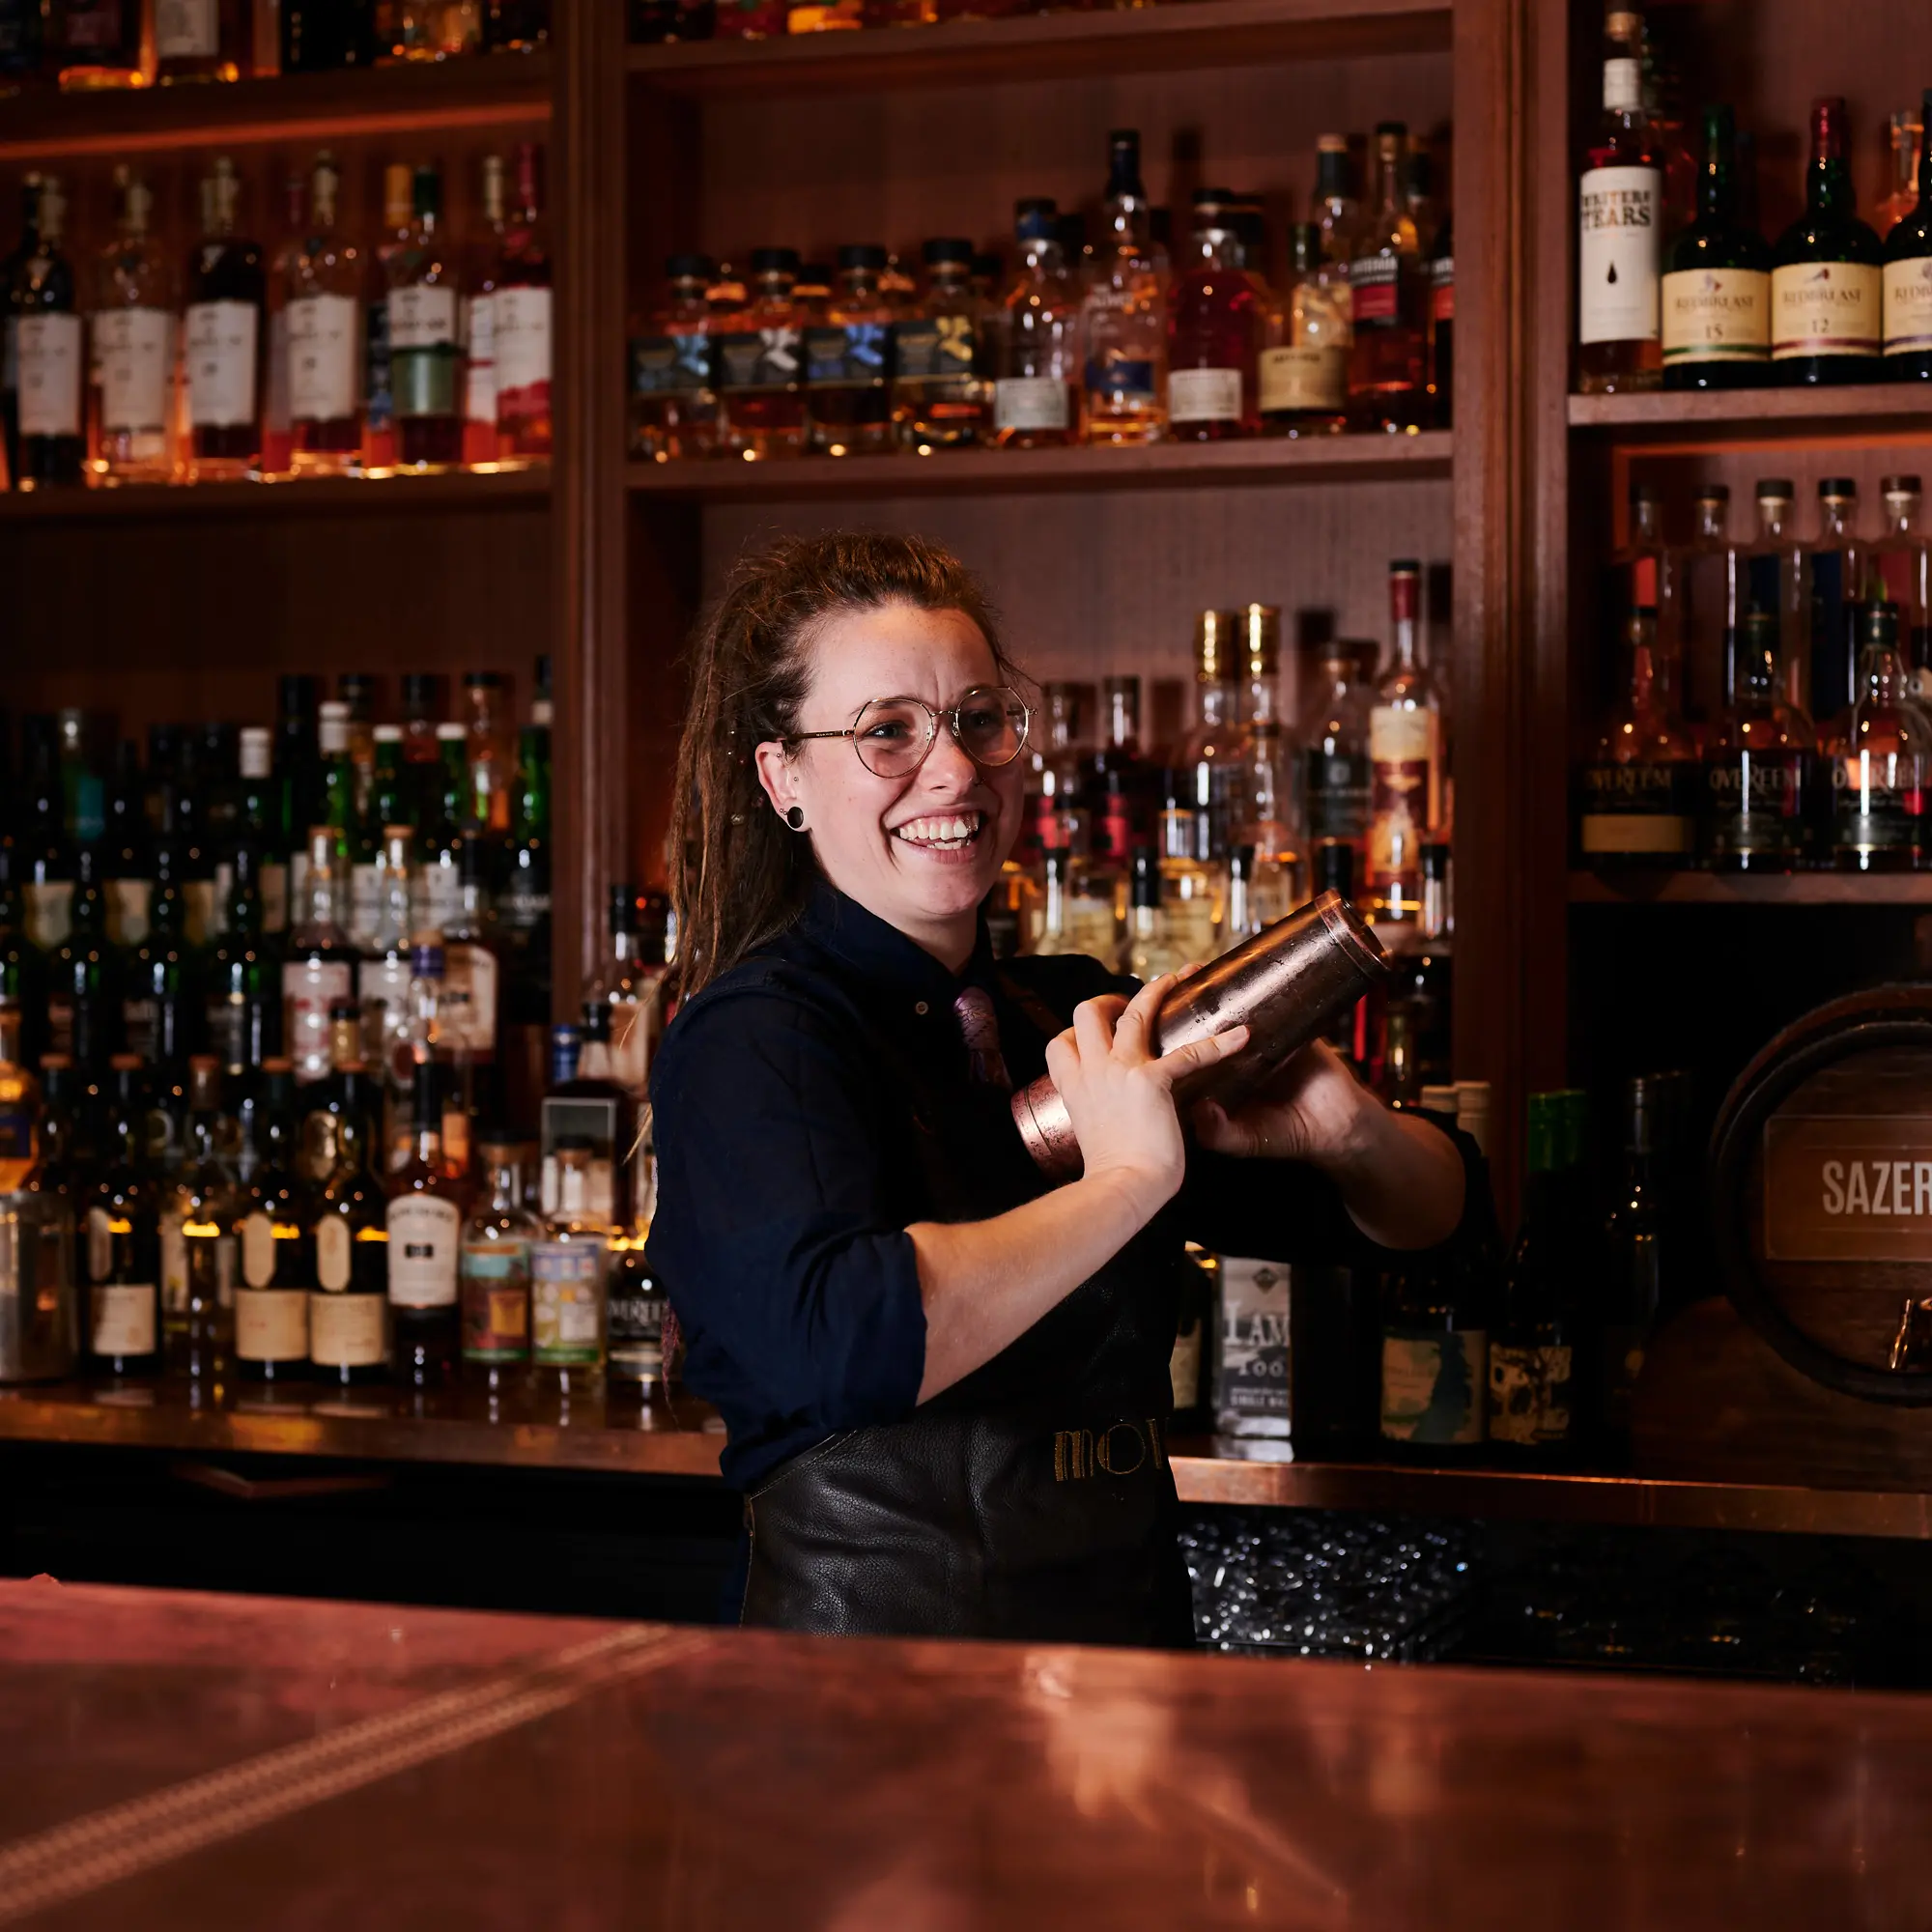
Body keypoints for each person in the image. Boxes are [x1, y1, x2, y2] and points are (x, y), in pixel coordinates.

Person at [647, 533, 1472, 1646]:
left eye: (977, 718)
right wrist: (1129, 1176)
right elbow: (840, 1339)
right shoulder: (757, 1037)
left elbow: (1433, 1226)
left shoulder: (1073, 1018)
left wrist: (1346, 1129)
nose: (950, 771)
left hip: (1118, 1672)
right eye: (886, 731)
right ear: (783, 776)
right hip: (878, 1702)